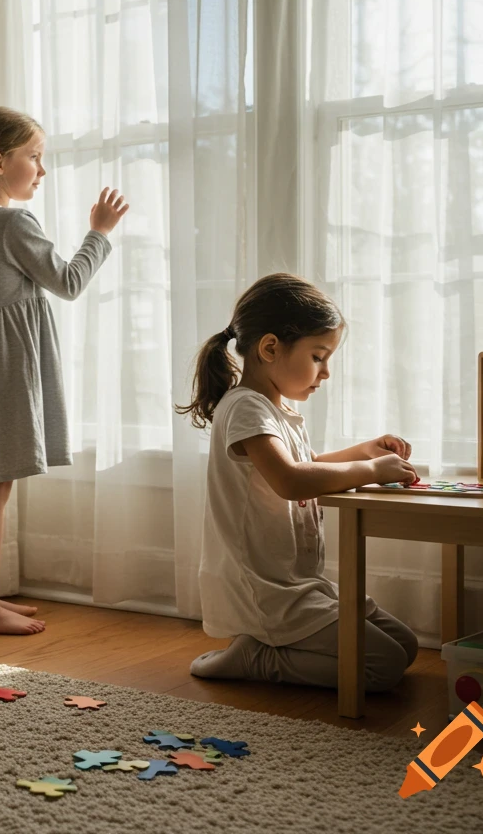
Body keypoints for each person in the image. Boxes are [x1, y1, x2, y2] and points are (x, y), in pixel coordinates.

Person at [0, 105, 129, 635]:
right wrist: (100, 233)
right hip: (1, 373)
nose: (41, 170)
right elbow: (66, 282)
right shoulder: (12, 221)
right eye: (34, 158)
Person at [177, 273, 419, 690]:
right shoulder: (245, 408)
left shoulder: (276, 410)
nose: (325, 372)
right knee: (384, 667)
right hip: (266, 592)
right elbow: (290, 480)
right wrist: (371, 471)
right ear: (270, 347)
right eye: (319, 356)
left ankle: (271, 650)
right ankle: (257, 658)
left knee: (405, 645)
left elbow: (307, 466)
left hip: (299, 585)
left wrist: (363, 451)